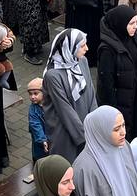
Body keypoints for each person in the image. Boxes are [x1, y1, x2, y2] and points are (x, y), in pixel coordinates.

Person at [97, 4, 137, 140]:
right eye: (131, 23)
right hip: (123, 103)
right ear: (120, 24)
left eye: (136, 22)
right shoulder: (107, 50)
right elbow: (106, 86)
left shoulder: (136, 38)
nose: (136, 27)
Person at [42, 29, 98, 162]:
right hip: (65, 134)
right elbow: (65, 111)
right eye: (82, 46)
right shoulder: (52, 75)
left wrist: (95, 123)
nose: (87, 48)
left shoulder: (82, 61)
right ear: (69, 47)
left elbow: (91, 93)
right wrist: (85, 137)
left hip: (85, 128)